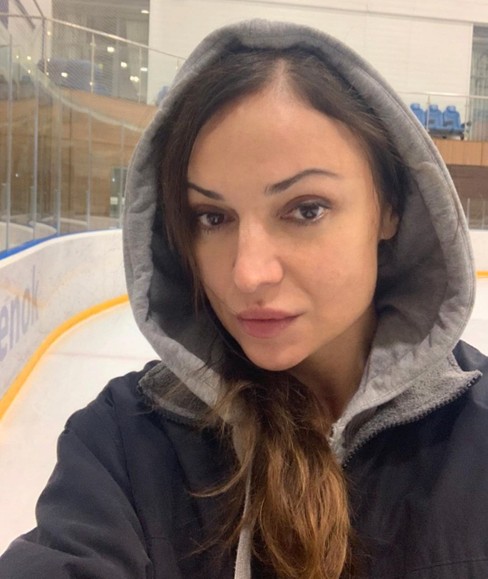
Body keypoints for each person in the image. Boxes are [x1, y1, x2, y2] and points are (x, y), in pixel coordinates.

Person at [1, 19, 488, 579]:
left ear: (390, 209)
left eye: (306, 209)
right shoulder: (121, 444)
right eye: (212, 217)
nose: (249, 273)